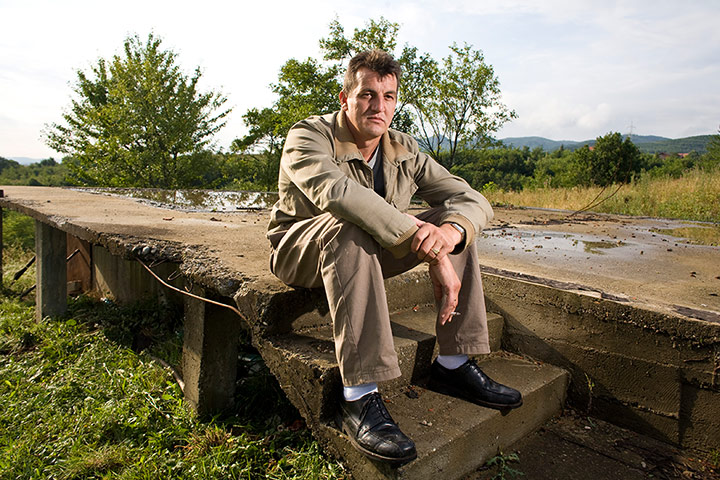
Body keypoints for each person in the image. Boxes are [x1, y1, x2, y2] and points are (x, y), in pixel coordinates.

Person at [267, 49, 522, 466]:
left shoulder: (403, 149)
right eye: (367, 94)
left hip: (372, 251)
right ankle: (359, 396)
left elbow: (470, 198)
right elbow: (338, 195)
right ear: (344, 96)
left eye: (388, 97)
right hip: (302, 250)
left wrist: (447, 235)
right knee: (350, 222)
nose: (378, 106)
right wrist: (417, 234)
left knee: (450, 223)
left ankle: (454, 363)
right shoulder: (308, 137)